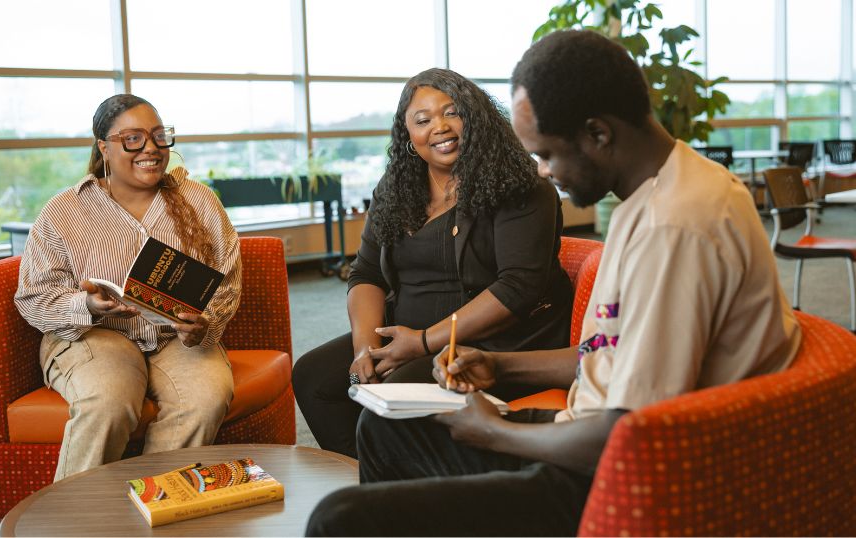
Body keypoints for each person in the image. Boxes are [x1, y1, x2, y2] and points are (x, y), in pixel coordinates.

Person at [304, 30, 802, 536]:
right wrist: (498, 366)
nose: (541, 170)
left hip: (616, 478)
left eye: (547, 153)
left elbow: (629, 437)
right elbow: (603, 353)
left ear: (598, 134)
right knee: (387, 432)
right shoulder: (652, 195)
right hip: (590, 434)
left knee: (339, 518)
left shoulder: (674, 227)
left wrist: (496, 432)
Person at [293, 68, 575, 458]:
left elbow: (518, 288)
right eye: (422, 120)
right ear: (408, 135)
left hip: (490, 340)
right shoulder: (395, 188)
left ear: (477, 119)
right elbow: (367, 272)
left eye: (453, 112)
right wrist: (365, 347)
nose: (439, 127)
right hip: (407, 329)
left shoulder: (520, 185)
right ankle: (370, 487)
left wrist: (423, 342)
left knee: (395, 396)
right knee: (313, 378)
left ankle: (403, 491)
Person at [14, 94, 241, 481]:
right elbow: (33, 297)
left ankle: (156, 504)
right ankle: (75, 523)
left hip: (175, 338)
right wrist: (86, 304)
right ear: (104, 147)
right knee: (109, 400)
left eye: (158, 136)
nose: (151, 148)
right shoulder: (64, 211)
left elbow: (227, 280)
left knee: (206, 396)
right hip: (94, 335)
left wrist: (205, 322)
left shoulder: (199, 201)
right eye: (133, 138)